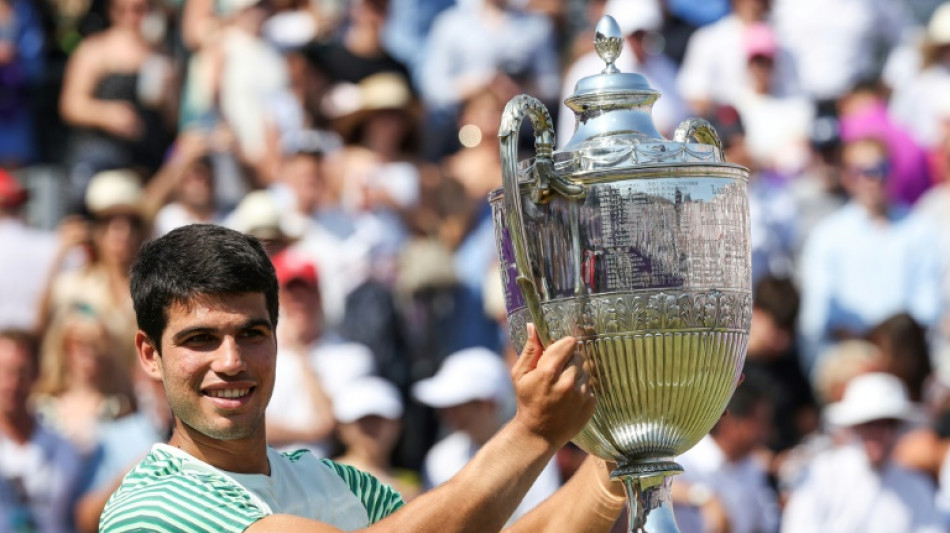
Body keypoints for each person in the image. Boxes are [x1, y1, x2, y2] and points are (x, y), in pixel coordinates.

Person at [100, 223, 627, 532]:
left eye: (252, 333)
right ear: (150, 354)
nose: (231, 360)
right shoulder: (151, 508)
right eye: (200, 339)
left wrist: (624, 449)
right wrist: (534, 430)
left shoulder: (340, 483)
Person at [412, 347, 562, 525]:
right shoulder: (440, 458)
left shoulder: (535, 451)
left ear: (487, 404)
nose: (447, 414)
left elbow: (542, 521)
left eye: (457, 405)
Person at [782, 372, 942, 532]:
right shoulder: (821, 476)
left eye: (888, 424)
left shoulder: (917, 487)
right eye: (870, 424)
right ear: (855, 427)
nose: (879, 433)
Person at [0, 329, 85, 533]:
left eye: (21, 372)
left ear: (36, 375)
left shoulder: (64, 449)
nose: (12, 384)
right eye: (3, 371)